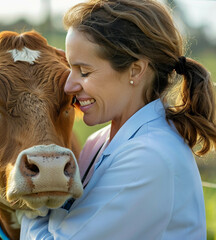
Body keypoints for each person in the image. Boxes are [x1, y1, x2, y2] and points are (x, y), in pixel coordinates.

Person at [20, 0, 216, 239]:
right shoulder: (98, 141)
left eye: (84, 71)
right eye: (70, 68)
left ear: (135, 70)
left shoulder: (149, 156)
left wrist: (28, 206)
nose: (69, 85)